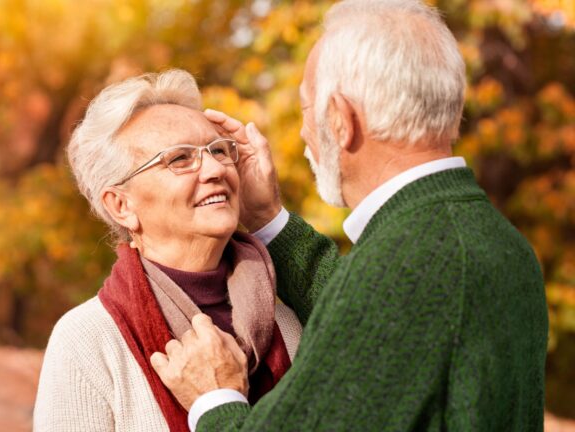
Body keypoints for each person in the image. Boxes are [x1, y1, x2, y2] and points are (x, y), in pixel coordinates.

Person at [149, 1, 549, 431]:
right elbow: (387, 334)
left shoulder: (404, 267)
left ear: (341, 120)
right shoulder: (495, 241)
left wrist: (216, 399)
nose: (304, 132)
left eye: (306, 110)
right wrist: (267, 216)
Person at [32, 69, 303, 432]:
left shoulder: (287, 324)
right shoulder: (88, 340)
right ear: (121, 205)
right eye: (179, 159)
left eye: (219, 150)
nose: (213, 169)